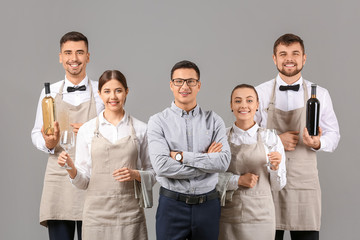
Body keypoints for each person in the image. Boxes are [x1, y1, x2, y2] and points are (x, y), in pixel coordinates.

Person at [255, 33, 340, 240]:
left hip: (304, 183)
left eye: (295, 53)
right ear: (274, 58)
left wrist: (318, 142)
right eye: (283, 54)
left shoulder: (320, 94)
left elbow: (334, 135)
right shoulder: (259, 92)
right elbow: (247, 136)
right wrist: (275, 140)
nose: (289, 59)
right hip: (269, 181)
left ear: (304, 58)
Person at [57, 70, 155, 240]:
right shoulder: (87, 130)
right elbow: (83, 182)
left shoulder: (141, 129)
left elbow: (153, 173)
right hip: (96, 216)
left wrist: (135, 174)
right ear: (99, 94)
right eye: (107, 91)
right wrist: (71, 168)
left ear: (126, 92)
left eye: (118, 90)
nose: (113, 97)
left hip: (130, 214)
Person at [31, 31, 104, 240]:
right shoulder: (49, 93)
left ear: (88, 56)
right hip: (58, 175)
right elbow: (36, 132)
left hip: (92, 176)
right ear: (60, 57)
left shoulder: (101, 91)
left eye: (80, 52)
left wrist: (93, 133)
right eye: (68, 53)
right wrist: (49, 144)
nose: (74, 58)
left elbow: (114, 133)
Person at [147, 60, 231, 240]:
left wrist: (180, 156)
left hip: (208, 206)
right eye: (179, 81)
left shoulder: (214, 120)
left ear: (198, 85)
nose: (184, 86)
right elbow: (162, 167)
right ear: (171, 85)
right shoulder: (158, 121)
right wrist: (207, 160)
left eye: (190, 81)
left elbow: (223, 162)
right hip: (172, 206)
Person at [218, 84, 286, 240]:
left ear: (257, 105)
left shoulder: (271, 138)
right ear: (231, 105)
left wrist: (275, 169)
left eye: (249, 101)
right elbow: (209, 179)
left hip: (262, 217)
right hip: (229, 215)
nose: (243, 105)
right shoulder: (221, 137)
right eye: (238, 101)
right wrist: (238, 180)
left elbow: (278, 186)